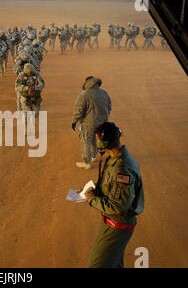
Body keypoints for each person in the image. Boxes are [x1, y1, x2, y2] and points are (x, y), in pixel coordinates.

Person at [83, 122, 145, 268]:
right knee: (113, 263)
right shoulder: (115, 157)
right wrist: (94, 191)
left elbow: (117, 206)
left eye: (97, 139)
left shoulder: (121, 168)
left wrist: (92, 199)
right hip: (111, 222)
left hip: (117, 225)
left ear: (103, 142)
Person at [72, 76, 112, 170]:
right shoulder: (104, 93)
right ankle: (93, 156)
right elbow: (109, 106)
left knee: (86, 141)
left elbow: (79, 109)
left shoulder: (84, 94)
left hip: (88, 123)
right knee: (95, 139)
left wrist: (74, 121)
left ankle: (87, 163)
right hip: (102, 123)